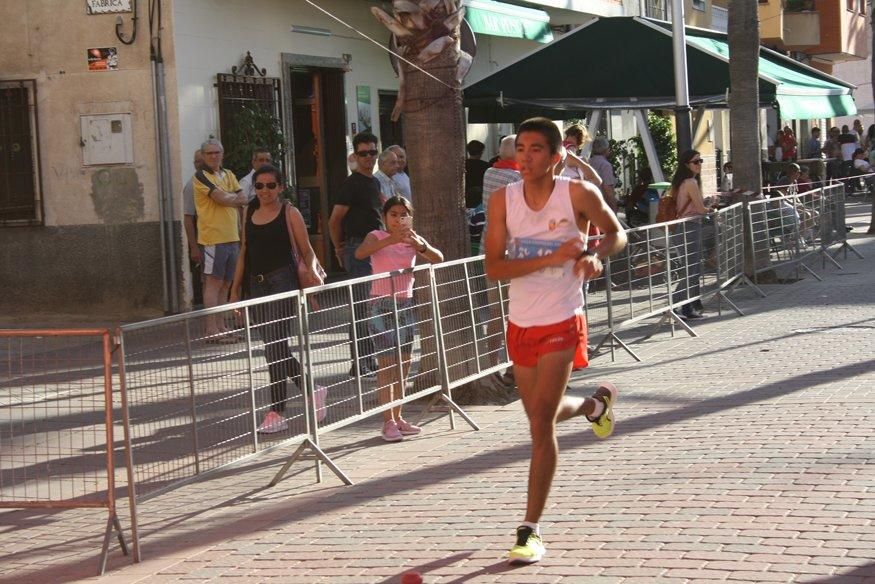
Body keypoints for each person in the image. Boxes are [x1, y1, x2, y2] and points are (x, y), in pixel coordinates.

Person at [483, 117, 626, 565]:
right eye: (521, 149)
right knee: (538, 412)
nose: (525, 158)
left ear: (557, 155)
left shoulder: (578, 193)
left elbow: (617, 233)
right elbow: (494, 267)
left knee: (539, 421)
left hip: (564, 316)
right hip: (520, 322)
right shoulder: (503, 200)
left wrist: (595, 256)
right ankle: (591, 406)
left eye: (536, 150)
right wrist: (551, 255)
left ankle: (530, 530)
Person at [229, 165, 325, 433]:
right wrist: (235, 290)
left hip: (283, 281)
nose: (265, 191)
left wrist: (314, 274)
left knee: (274, 346)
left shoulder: (289, 212)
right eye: (259, 186)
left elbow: (307, 250)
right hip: (256, 284)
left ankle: (276, 411)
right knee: (274, 346)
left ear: (281, 187)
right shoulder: (249, 211)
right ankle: (311, 389)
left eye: (271, 186)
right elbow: (244, 250)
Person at [354, 196, 443, 441]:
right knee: (387, 363)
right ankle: (387, 421)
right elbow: (361, 253)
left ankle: (399, 416)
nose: (398, 219)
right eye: (393, 214)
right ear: (385, 217)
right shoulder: (376, 235)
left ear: (410, 217)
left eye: (403, 214)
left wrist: (420, 246)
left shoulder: (413, 238)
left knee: (404, 362)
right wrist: (390, 239)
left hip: (405, 304)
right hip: (381, 305)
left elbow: (439, 258)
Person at [328, 132, 383, 377]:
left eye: (372, 152)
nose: (368, 157)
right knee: (360, 306)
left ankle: (369, 360)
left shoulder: (375, 182)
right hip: (357, 247)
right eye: (363, 153)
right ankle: (359, 364)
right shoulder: (351, 184)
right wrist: (339, 248)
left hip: (376, 248)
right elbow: (334, 220)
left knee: (372, 306)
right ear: (355, 155)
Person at [193, 138, 248, 340]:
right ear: (203, 156)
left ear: (222, 154)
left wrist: (229, 198)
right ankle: (211, 329)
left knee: (226, 284)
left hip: (232, 236)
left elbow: (242, 198)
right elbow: (221, 198)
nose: (214, 156)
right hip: (213, 237)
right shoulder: (201, 177)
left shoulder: (229, 174)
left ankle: (222, 326)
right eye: (209, 153)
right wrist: (231, 199)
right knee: (213, 283)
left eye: (217, 152)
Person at [669, 150, 711, 320]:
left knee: (692, 269)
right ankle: (676, 304)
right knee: (692, 270)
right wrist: (711, 207)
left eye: (701, 160)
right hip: (689, 228)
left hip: (685, 227)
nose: (699, 164)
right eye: (696, 162)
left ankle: (688, 306)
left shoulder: (683, 182)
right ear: (686, 165)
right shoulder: (690, 182)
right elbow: (700, 210)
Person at [183, 149, 205, 307]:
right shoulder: (192, 186)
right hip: (201, 239)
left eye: (201, 160)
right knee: (203, 279)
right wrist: (194, 247)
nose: (199, 164)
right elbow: (188, 218)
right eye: (196, 161)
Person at [588, 137, 618, 211]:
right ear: (605, 150)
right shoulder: (605, 165)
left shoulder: (588, 162)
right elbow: (608, 188)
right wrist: (614, 206)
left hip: (589, 201)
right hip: (602, 204)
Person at [465, 140, 491, 209]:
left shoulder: (463, 165)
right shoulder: (486, 166)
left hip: (465, 197)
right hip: (480, 199)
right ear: (481, 152)